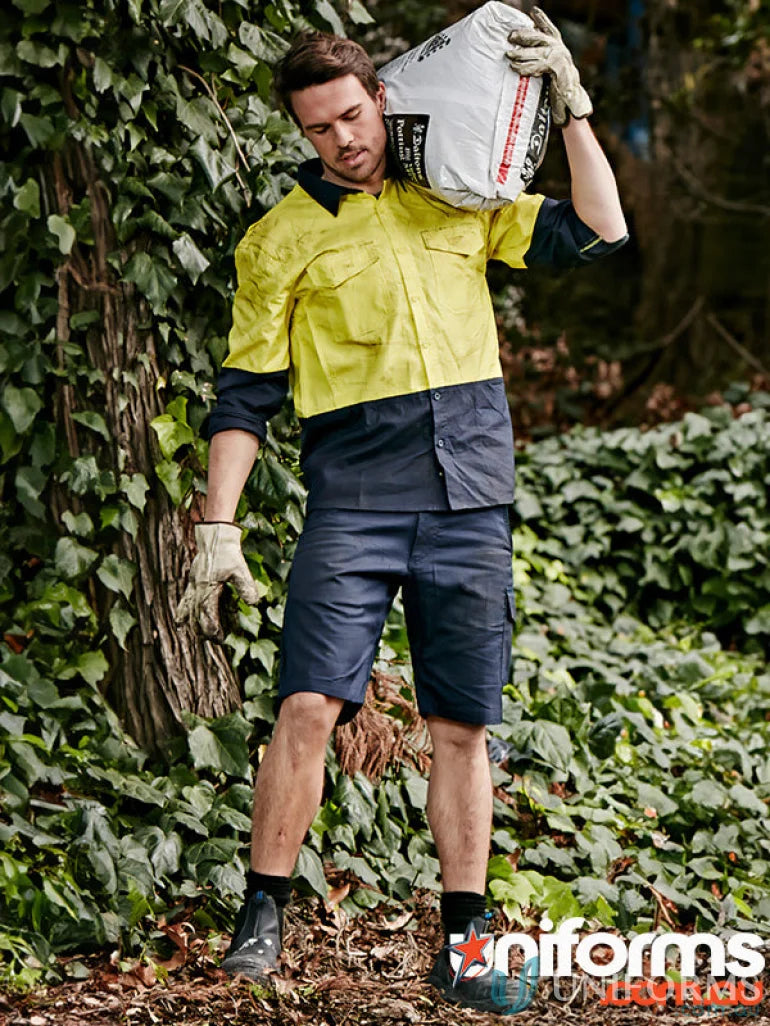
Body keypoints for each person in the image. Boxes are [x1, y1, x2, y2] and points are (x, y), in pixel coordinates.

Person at [176, 8, 627, 1012]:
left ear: (381, 99)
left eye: (351, 115)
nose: (342, 139)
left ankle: (463, 941)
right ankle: (261, 915)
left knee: (460, 725)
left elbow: (600, 232)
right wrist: (217, 524)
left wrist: (573, 109)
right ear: (302, 133)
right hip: (355, 499)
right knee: (306, 706)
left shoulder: (458, 195)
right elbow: (244, 395)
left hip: (470, 494)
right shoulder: (278, 240)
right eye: (318, 128)